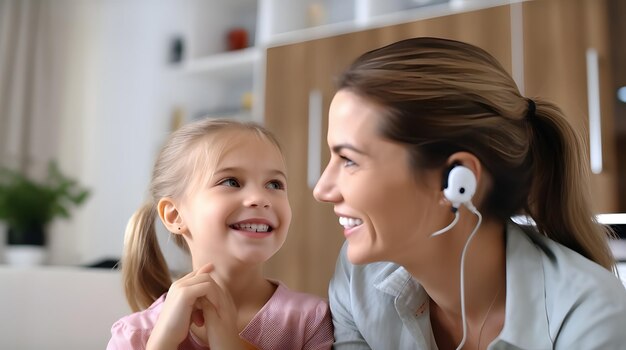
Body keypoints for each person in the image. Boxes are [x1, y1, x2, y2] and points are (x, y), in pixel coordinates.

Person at [313, 37, 626, 349]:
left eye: (350, 160)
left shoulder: (589, 318)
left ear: (456, 180)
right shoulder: (358, 282)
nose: (322, 189)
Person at [107, 119, 334, 350]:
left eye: (274, 184)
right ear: (175, 215)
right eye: (231, 181)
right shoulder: (134, 337)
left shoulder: (311, 323)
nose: (260, 198)